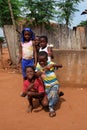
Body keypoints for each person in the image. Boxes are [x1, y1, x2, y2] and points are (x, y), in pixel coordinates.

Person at [36, 51, 63, 117]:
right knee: (45, 104)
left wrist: (52, 65)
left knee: (53, 94)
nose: (41, 62)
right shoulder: (38, 65)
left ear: (47, 60)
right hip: (46, 86)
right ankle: (57, 96)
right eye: (40, 61)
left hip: (54, 84)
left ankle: (51, 109)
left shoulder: (50, 63)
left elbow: (61, 65)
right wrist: (44, 69)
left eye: (43, 61)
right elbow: (36, 74)